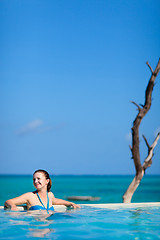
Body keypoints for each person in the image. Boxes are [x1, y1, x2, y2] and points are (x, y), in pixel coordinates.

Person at [4, 169, 80, 212]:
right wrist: (13, 206)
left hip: (49, 229)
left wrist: (70, 203)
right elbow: (8, 201)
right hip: (35, 229)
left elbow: (56, 201)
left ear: (47, 181)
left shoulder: (50, 195)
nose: (36, 181)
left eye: (38, 179)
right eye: (34, 179)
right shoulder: (30, 196)